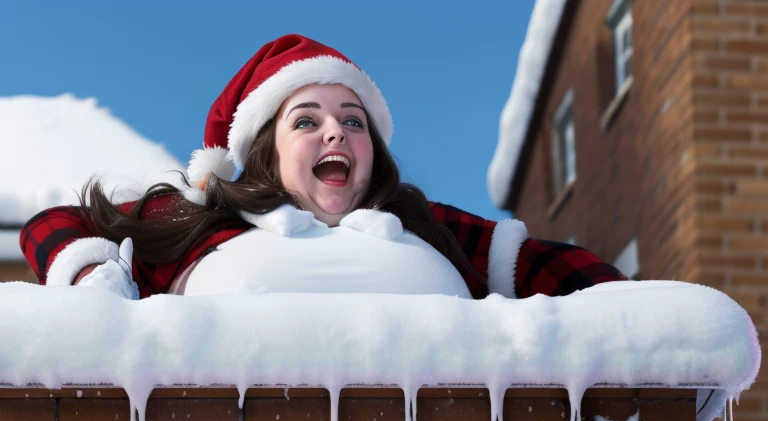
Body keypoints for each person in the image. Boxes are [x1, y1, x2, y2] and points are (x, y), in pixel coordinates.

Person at [19, 34, 627, 300]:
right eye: (306, 121)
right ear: (266, 152)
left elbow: (570, 272)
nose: (336, 129)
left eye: (353, 121)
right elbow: (56, 226)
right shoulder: (203, 226)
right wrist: (93, 279)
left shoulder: (424, 227)